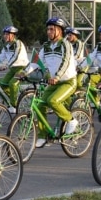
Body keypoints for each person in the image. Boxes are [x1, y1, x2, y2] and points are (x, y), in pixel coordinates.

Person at [19, 17, 79, 148]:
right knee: (40, 106)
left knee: (53, 101)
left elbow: (66, 61)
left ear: (60, 31)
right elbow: (36, 61)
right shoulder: (46, 46)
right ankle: (43, 136)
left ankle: (71, 120)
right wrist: (24, 73)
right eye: (48, 29)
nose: (49, 31)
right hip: (54, 82)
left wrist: (57, 76)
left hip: (68, 81)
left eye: (52, 29)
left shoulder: (65, 44)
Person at [0, 25, 28, 113]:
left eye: (7, 34)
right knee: (3, 84)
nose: (5, 36)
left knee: (12, 84)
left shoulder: (18, 43)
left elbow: (15, 57)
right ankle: (15, 99)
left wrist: (6, 65)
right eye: (4, 34)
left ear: (13, 35)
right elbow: (0, 58)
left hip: (22, 68)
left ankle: (14, 106)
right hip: (12, 68)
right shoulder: (6, 46)